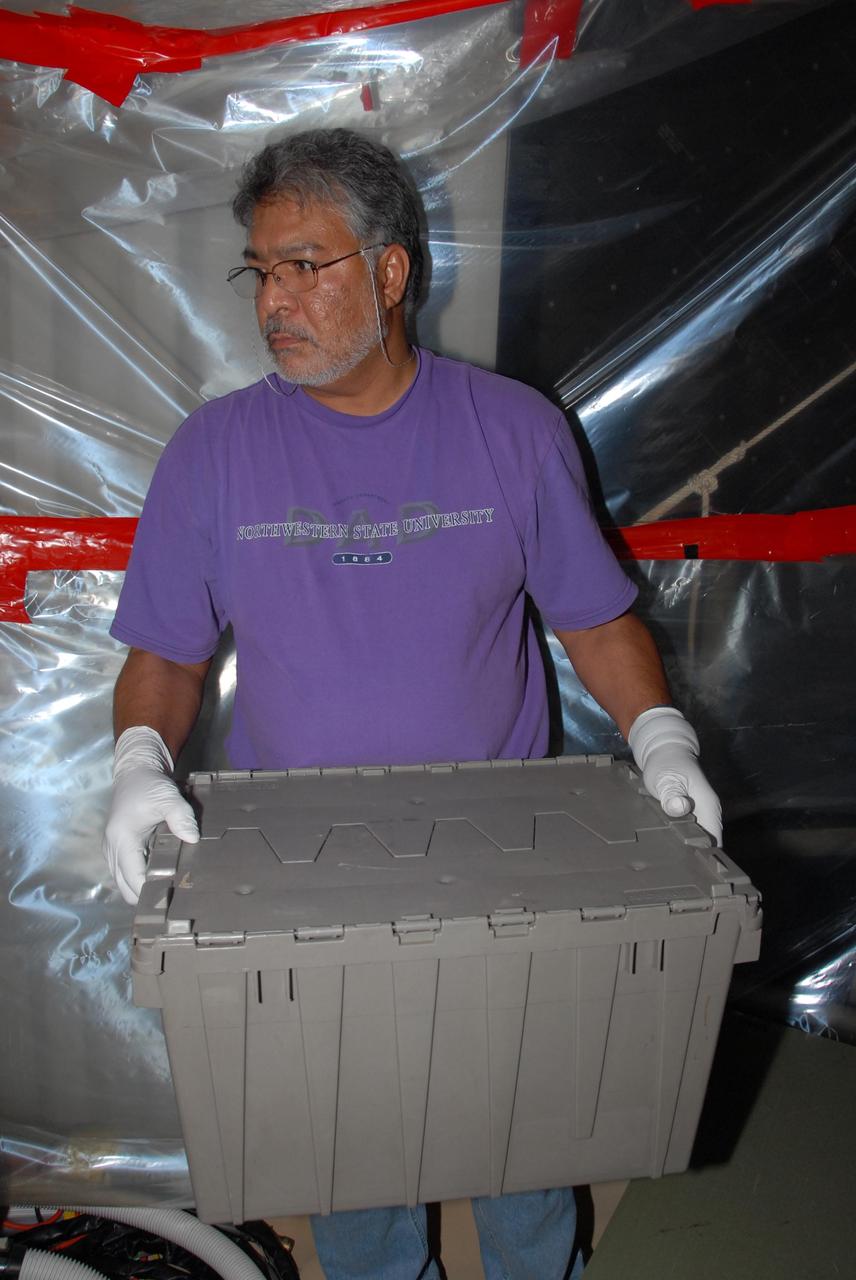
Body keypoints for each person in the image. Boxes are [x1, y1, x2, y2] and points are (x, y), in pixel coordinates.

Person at [104, 127, 721, 1280]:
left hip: (505, 860)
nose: (274, 300)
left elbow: (592, 616)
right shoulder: (215, 454)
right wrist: (140, 754)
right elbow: (167, 652)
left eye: (306, 264)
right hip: (307, 872)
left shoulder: (513, 431)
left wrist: (660, 736)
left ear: (390, 273)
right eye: (260, 270)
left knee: (523, 1136)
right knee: (353, 1148)